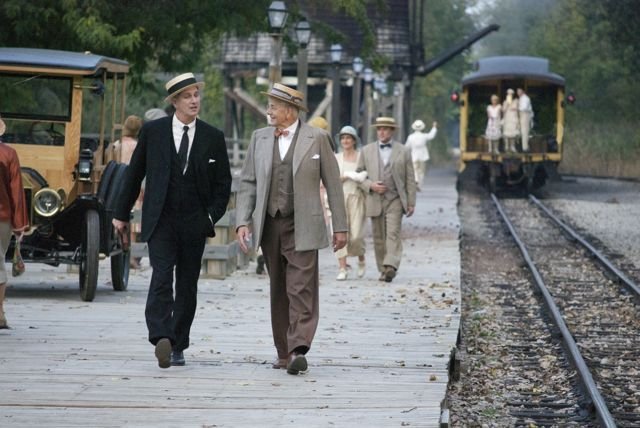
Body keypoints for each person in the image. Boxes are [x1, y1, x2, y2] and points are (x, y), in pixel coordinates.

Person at [112, 73, 232, 368]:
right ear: (175, 102)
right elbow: (134, 174)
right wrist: (120, 213)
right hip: (161, 218)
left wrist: (209, 217)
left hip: (195, 221)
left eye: (196, 95)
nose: (194, 100)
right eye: (187, 96)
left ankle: (179, 343)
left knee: (187, 284)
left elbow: (223, 185)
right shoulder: (153, 132)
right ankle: (161, 336)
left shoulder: (213, 137)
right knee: (161, 276)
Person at [235, 83, 348, 375]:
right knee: (279, 288)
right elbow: (248, 182)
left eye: (273, 105)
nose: (269, 110)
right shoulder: (259, 138)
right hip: (270, 223)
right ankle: (283, 352)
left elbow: (334, 185)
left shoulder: (318, 138)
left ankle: (299, 347)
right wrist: (242, 221)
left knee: (300, 287)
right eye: (269, 105)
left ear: (290, 110)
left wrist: (341, 227)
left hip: (304, 223)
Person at [356, 116, 416, 283]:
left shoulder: (404, 151)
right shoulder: (366, 150)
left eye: (385, 129)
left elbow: (410, 178)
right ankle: (383, 269)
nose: (381, 132)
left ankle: (391, 265)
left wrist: (411, 202)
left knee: (393, 233)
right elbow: (358, 175)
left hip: (395, 199)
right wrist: (371, 185)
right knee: (378, 237)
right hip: (375, 198)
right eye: (379, 129)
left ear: (392, 131)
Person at [0, 117, 30, 329]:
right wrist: (20, 224)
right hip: (2, 217)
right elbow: (15, 191)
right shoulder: (8, 154)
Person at [334, 125, 367, 281]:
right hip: (339, 199)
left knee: (356, 235)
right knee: (340, 234)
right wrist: (347, 175)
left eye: (348, 138)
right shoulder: (336, 158)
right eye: (343, 138)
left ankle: (361, 258)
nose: (345, 141)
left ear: (354, 140)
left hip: (357, 198)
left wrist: (359, 177)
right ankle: (342, 268)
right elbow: (332, 179)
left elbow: (366, 176)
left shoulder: (361, 157)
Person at [405, 119, 437, 191]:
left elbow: (407, 146)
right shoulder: (424, 136)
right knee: (421, 171)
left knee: (414, 170)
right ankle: (419, 184)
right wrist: (434, 127)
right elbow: (431, 135)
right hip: (423, 156)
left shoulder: (410, 137)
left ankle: (416, 180)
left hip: (414, 156)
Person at [517, 88, 533, 152]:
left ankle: (525, 148)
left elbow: (524, 108)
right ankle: (522, 146)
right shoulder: (521, 98)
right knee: (520, 130)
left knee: (525, 131)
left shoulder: (525, 98)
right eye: (517, 92)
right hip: (521, 114)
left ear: (522, 92)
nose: (518, 93)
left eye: (519, 91)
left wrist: (517, 108)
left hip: (525, 115)